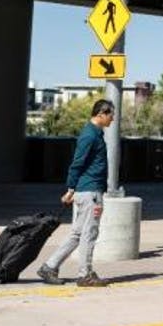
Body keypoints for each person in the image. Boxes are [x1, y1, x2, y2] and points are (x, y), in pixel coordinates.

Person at [37, 99, 114, 287]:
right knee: (89, 233)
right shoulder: (89, 136)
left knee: (77, 234)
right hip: (90, 192)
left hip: (88, 191)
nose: (113, 118)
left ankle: (49, 266)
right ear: (101, 114)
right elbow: (77, 163)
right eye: (110, 114)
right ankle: (85, 274)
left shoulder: (95, 134)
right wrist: (71, 188)